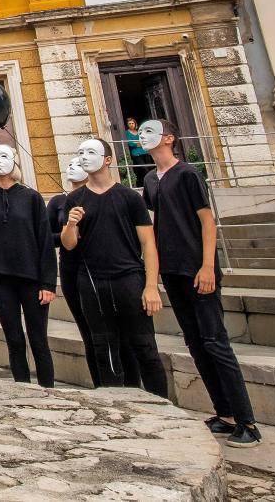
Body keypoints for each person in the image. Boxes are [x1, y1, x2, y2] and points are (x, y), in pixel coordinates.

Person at [141, 119, 260, 448]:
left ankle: (247, 420)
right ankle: (224, 414)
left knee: (216, 342)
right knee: (195, 343)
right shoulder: (150, 179)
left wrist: (208, 265)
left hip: (198, 269)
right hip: (173, 271)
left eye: (150, 132)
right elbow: (152, 224)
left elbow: (207, 221)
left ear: (169, 138)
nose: (143, 137)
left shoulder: (189, 174)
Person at [60, 137, 167, 398]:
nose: (84, 157)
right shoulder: (74, 199)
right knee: (103, 347)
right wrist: (71, 224)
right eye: (80, 152)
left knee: (144, 346)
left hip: (129, 278)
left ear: (107, 159)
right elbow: (69, 245)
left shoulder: (129, 197)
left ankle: (161, 402)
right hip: (93, 282)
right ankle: (116, 405)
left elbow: (148, 243)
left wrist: (151, 287)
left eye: (91, 152)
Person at [0, 143, 55, 388]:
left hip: (32, 278)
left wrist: (48, 282)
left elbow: (45, 240)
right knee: (14, 339)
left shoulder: (31, 196)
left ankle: (48, 390)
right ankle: (22, 387)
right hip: (0, 278)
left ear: (14, 160)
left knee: (38, 339)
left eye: (3, 156)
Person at [48, 156, 106, 386]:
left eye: (79, 164)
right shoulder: (59, 202)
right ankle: (99, 381)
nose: (72, 167)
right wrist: (67, 233)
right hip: (71, 267)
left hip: (100, 266)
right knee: (87, 330)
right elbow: (47, 236)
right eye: (70, 164)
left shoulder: (103, 196)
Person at [123, 117, 152, 188]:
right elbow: (130, 143)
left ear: (135, 124)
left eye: (132, 123)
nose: (131, 125)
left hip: (144, 152)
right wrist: (137, 143)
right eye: (129, 123)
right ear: (127, 125)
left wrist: (140, 143)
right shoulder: (126, 133)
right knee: (143, 168)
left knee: (149, 167)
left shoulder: (139, 132)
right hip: (136, 153)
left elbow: (144, 140)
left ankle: (148, 183)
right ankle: (148, 183)